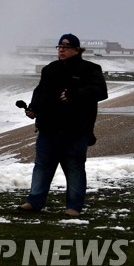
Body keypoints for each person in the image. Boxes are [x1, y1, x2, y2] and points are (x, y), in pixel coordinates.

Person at [18, 33, 108, 217]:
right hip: (48, 128)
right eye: (59, 47)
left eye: (65, 47)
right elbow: (40, 92)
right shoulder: (50, 69)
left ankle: (74, 207)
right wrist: (33, 108)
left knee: (74, 168)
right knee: (42, 167)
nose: (61, 50)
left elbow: (100, 92)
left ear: (76, 49)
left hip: (76, 130)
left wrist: (74, 94)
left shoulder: (90, 69)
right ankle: (34, 202)